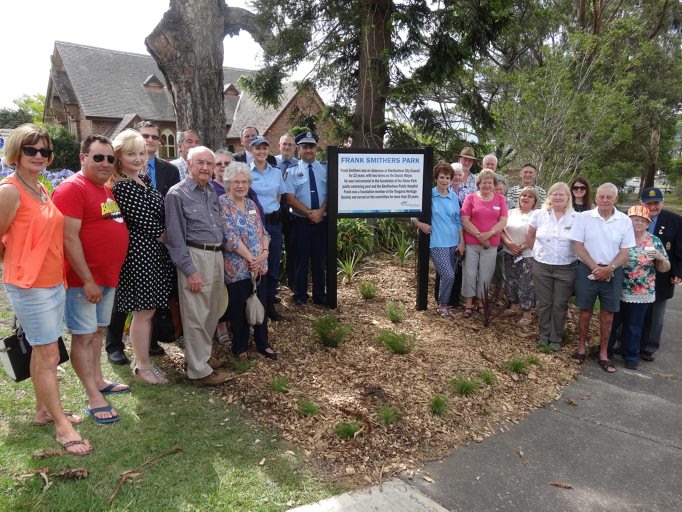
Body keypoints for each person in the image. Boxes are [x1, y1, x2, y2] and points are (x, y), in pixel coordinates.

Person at [0, 124, 91, 455]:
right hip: (29, 285)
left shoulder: (40, 186)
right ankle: (60, 425)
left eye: (45, 151)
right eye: (31, 150)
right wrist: (18, 262)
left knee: (45, 350)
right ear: (16, 153)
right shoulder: (9, 190)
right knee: (48, 353)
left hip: (53, 281)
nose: (39, 156)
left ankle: (43, 411)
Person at [52, 135, 130, 423]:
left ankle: (98, 380)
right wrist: (87, 280)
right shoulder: (72, 189)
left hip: (105, 279)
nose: (105, 163)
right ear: (82, 158)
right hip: (83, 282)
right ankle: (92, 395)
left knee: (96, 332)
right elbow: (68, 238)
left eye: (110, 158)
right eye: (98, 157)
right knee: (83, 337)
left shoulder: (105, 190)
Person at [106, 121, 180, 364]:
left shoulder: (143, 180)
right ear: (118, 158)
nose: (138, 158)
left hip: (154, 256)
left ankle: (144, 359)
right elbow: (151, 226)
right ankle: (142, 364)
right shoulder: (124, 186)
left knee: (147, 313)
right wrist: (177, 241)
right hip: (141, 256)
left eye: (140, 153)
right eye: (131, 154)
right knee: (143, 313)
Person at [165, 146, 229, 386]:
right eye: (199, 162)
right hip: (195, 256)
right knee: (196, 314)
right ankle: (199, 373)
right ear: (189, 165)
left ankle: (200, 359)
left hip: (216, 255)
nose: (205, 167)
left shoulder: (211, 191)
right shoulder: (176, 194)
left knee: (212, 310)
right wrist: (190, 271)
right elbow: (174, 238)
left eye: (209, 164)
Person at [568, 183, 635, 373]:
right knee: (585, 311)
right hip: (587, 269)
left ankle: (604, 354)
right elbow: (578, 245)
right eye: (601, 197)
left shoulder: (624, 220)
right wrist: (595, 267)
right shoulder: (584, 217)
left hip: (613, 271)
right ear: (596, 198)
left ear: (616, 199)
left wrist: (610, 268)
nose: (605, 200)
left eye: (609, 197)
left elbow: (626, 250)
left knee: (607, 315)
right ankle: (581, 348)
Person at [220, 161, 277, 359]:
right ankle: (240, 347)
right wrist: (251, 258)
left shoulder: (252, 204)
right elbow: (229, 237)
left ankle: (263, 343)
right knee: (238, 309)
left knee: (260, 303)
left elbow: (263, 232)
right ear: (228, 182)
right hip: (237, 268)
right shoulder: (222, 203)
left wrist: (264, 253)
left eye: (244, 181)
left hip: (259, 266)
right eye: (236, 182)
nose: (241, 186)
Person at [607, 205, 669, 370]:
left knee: (634, 325)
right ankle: (606, 351)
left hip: (641, 291)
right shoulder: (619, 237)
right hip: (617, 288)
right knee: (612, 322)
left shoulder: (654, 241)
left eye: (643, 220)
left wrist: (660, 258)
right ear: (628, 221)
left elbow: (665, 268)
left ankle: (631, 355)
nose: (638, 223)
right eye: (635, 219)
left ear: (648, 223)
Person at [526, 182, 578, 351]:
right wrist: (537, 253)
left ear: (568, 197)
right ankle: (543, 335)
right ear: (549, 196)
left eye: (561, 194)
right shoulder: (539, 215)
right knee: (545, 303)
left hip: (566, 267)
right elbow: (530, 235)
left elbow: (580, 242)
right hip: (542, 266)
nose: (557, 197)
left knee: (560, 304)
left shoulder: (576, 217)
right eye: (554, 194)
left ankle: (556, 337)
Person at [413, 163, 464, 317]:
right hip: (437, 242)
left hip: (453, 242)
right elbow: (413, 214)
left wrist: (462, 241)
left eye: (448, 178)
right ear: (436, 178)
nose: (445, 180)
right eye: (442, 177)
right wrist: (420, 224)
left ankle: (445, 304)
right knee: (448, 275)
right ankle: (442, 305)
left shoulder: (453, 195)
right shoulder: (429, 194)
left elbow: (457, 220)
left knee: (449, 275)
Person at [639, 187, 682, 361]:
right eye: (648, 203)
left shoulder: (675, 221)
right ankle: (625, 342)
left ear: (661, 202)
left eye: (656, 203)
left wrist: (678, 272)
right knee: (631, 309)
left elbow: (679, 250)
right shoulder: (630, 217)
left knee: (656, 313)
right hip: (635, 273)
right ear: (642, 203)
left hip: (662, 273)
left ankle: (649, 347)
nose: (652, 207)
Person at [285, 131, 328, 305]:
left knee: (319, 260)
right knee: (300, 260)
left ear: (316, 148)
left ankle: (320, 295)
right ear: (299, 149)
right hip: (300, 222)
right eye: (304, 147)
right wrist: (310, 213)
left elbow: (332, 194)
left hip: (321, 222)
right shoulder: (292, 171)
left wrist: (320, 211)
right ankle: (300, 295)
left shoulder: (326, 168)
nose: (308, 150)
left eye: (311, 146)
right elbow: (289, 197)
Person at [248, 135, 287, 321]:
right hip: (255, 224)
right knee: (256, 262)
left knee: (273, 262)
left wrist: (271, 211)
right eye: (258, 148)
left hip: (273, 222)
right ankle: (257, 301)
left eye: (264, 148)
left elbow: (278, 196)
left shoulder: (276, 172)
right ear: (251, 151)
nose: (262, 152)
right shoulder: (246, 172)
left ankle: (270, 301)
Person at [460, 169, 508, 316]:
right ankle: (468, 305)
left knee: (486, 275)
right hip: (472, 243)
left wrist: (489, 234)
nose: (487, 185)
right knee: (469, 273)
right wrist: (479, 235)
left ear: (494, 184)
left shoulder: (500, 199)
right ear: (478, 184)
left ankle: (481, 303)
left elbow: (503, 221)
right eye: (483, 182)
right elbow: (464, 219)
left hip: (491, 244)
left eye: (490, 182)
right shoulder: (470, 198)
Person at [500, 187, 538, 326]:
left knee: (525, 283)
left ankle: (527, 313)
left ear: (534, 201)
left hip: (527, 254)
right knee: (510, 280)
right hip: (509, 252)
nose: (525, 198)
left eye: (530, 196)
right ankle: (514, 306)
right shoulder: (510, 212)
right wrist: (509, 244)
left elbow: (538, 234)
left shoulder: (537, 214)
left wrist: (523, 246)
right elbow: (501, 229)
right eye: (523, 195)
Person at [276, 133, 299, 289]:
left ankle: (293, 281)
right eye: (284, 144)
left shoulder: (299, 165)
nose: (287, 147)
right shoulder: (271, 162)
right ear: (279, 146)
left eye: (290, 144)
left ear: (295, 148)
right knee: (274, 247)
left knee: (293, 247)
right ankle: (275, 282)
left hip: (293, 212)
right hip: (276, 211)